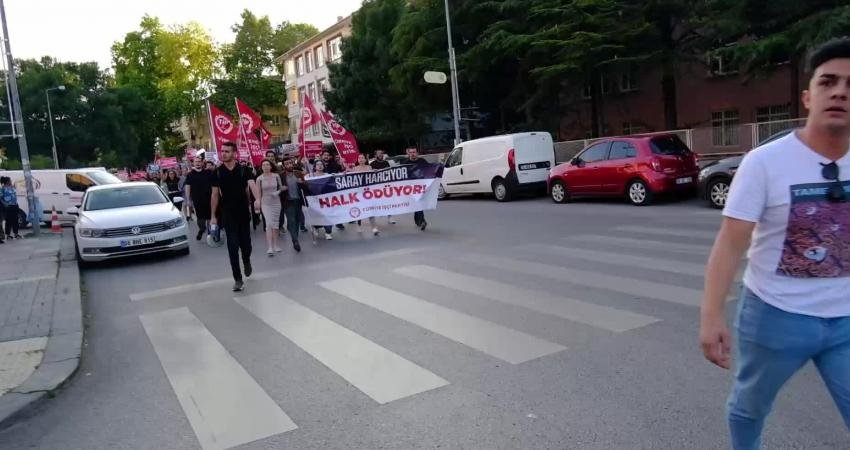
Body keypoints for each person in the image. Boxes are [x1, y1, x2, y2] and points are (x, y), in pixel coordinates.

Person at [700, 38, 850, 450]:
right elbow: (730, 243)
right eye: (829, 82)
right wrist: (711, 315)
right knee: (749, 407)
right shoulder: (765, 162)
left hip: (846, 323)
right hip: (775, 317)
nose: (840, 91)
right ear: (808, 96)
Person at [210, 141, 262, 292]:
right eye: (222, 151)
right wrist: (213, 216)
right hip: (227, 214)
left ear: (234, 153)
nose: (223, 153)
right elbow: (214, 195)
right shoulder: (217, 172)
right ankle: (238, 279)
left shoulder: (243, 170)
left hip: (243, 213)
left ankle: (246, 260)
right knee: (232, 248)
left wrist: (257, 199)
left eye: (227, 151)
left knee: (246, 246)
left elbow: (252, 185)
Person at [255, 159, 284, 256]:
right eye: (263, 165)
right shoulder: (259, 179)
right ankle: (270, 247)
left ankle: (276, 245)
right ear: (261, 167)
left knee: (275, 224)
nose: (266, 166)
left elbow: (281, 187)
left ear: (271, 166)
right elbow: (258, 193)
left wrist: (278, 192)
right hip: (265, 203)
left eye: (267, 164)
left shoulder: (276, 176)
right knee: (269, 224)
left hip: (276, 202)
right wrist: (258, 202)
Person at [185, 156, 214, 241]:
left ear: (202, 163)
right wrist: (188, 200)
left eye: (199, 161)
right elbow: (187, 187)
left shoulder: (208, 172)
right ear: (193, 163)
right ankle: (202, 229)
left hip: (209, 199)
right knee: (201, 219)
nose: (197, 163)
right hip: (197, 200)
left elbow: (214, 184)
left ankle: (210, 234)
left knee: (209, 217)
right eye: (196, 161)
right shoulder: (190, 175)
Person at [281, 157, 307, 251]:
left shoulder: (298, 173)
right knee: (291, 220)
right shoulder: (281, 176)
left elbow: (306, 184)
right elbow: (277, 187)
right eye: (287, 164)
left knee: (296, 220)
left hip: (298, 200)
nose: (289, 165)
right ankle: (295, 240)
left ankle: (294, 234)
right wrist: (281, 188)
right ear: (284, 166)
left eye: (290, 163)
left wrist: (302, 182)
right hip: (287, 201)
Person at [350, 154, 380, 235]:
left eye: (362, 158)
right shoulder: (354, 169)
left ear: (365, 159)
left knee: (370, 209)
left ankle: (374, 227)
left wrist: (375, 172)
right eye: (359, 158)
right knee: (360, 209)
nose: (360, 159)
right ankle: (359, 224)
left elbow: (373, 177)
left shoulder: (369, 167)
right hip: (358, 193)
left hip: (368, 192)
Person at [306, 160, 334, 241]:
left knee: (327, 215)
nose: (320, 166)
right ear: (314, 166)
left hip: (326, 199)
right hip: (315, 200)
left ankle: (328, 232)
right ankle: (316, 227)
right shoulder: (310, 176)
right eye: (317, 164)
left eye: (321, 164)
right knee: (317, 215)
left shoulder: (328, 175)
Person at [402, 147, 429, 231]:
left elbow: (429, 170)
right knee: (418, 203)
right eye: (411, 152)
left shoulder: (422, 161)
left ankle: (418, 220)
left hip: (421, 186)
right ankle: (422, 221)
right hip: (411, 187)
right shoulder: (405, 163)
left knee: (418, 203)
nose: (413, 154)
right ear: (408, 154)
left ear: (417, 153)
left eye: (414, 152)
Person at [370, 150, 396, 225]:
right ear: (375, 155)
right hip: (377, 186)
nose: (381, 155)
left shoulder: (386, 163)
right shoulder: (372, 164)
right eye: (379, 154)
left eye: (382, 153)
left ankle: (390, 217)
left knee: (388, 201)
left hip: (386, 185)